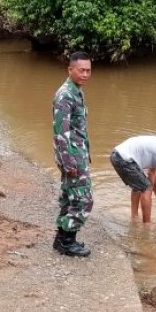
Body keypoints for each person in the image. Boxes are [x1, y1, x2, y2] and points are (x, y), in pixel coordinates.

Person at [52, 52, 93, 257]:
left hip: (77, 153)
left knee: (70, 196)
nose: (85, 74)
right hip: (72, 155)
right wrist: (69, 163)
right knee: (84, 199)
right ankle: (68, 242)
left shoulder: (77, 91)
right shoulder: (65, 94)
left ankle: (62, 239)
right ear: (70, 70)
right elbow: (61, 132)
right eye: (81, 70)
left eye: (88, 70)